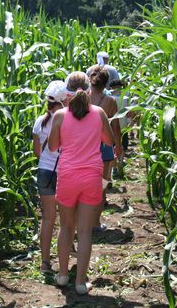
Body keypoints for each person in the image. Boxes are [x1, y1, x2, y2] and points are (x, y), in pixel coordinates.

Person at [48, 72, 115, 295]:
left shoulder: (59, 116)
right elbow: (109, 141)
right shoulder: (99, 113)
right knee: (85, 231)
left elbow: (52, 147)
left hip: (67, 177)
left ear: (66, 92)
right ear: (89, 90)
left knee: (66, 227)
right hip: (91, 178)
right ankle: (80, 283)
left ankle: (63, 274)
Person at [32, 80, 68, 273]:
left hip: (44, 172)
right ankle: (65, 261)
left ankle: (45, 262)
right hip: (63, 173)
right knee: (65, 220)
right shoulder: (65, 119)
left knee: (47, 218)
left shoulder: (40, 121)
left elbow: (37, 152)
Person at [87, 66, 122, 231]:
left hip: (86, 147)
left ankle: (83, 219)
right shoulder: (110, 102)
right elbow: (115, 128)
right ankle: (94, 222)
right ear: (106, 83)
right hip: (104, 148)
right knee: (101, 186)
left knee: (86, 184)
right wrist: (119, 147)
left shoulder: (82, 98)